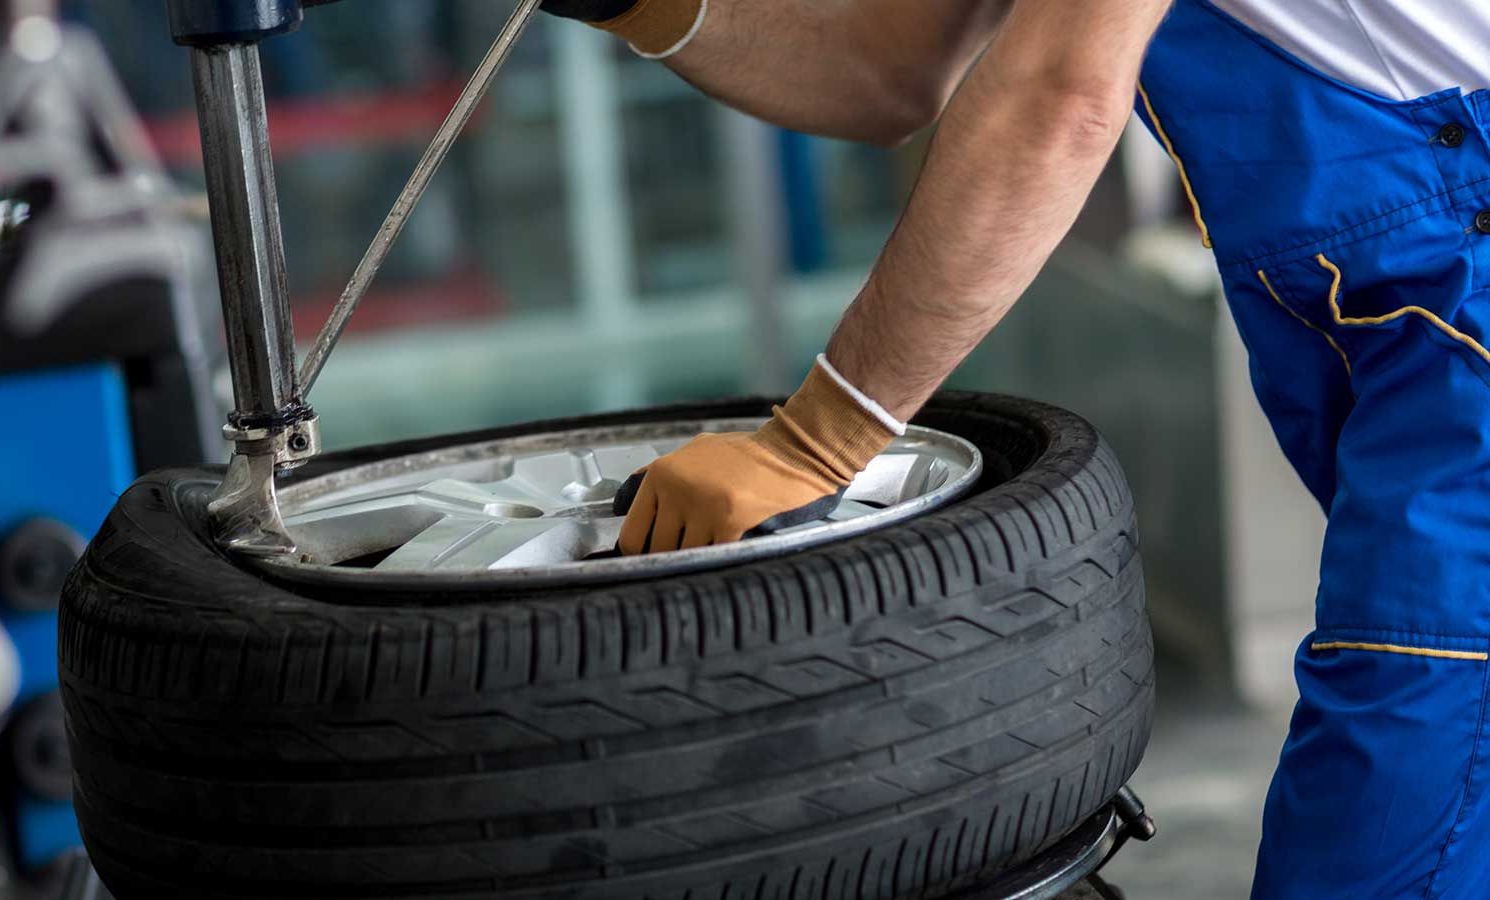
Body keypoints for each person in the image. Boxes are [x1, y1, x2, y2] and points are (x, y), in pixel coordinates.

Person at [540, 0, 1490, 897]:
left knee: (1388, 820)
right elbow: (891, 74)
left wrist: (814, 445)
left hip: (1460, 304)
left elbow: (1061, 95)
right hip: (1392, 320)